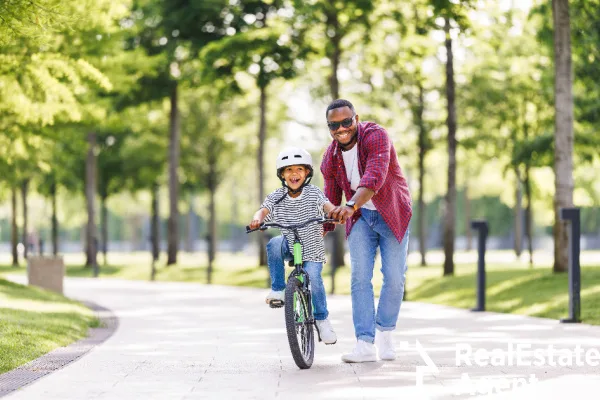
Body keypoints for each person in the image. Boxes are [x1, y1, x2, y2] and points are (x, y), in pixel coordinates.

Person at [320, 99, 412, 362]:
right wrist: (322, 229)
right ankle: (364, 343)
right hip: (360, 217)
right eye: (334, 125)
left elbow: (375, 176)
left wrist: (350, 204)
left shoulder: (376, 136)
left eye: (346, 122)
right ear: (329, 128)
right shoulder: (330, 157)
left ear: (356, 119)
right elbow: (330, 197)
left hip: (392, 212)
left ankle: (384, 332)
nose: (341, 129)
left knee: (394, 278)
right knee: (360, 278)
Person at [249, 147, 338, 345]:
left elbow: (327, 205)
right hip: (290, 245)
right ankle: (278, 289)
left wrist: (334, 213)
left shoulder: (313, 193)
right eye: (288, 170)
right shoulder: (277, 196)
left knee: (314, 277)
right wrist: (257, 220)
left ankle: (322, 320)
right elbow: (263, 210)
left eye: (299, 169)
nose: (294, 174)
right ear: (282, 174)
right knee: (274, 244)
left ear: (307, 173)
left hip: (312, 250)